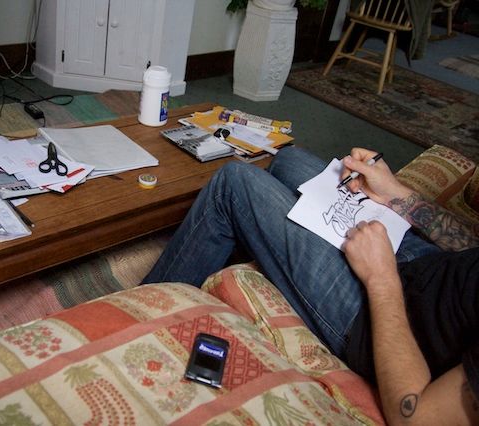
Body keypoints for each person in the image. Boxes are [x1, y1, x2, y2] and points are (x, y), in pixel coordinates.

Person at [142, 146, 478, 425]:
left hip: (383, 317)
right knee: (289, 159)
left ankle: (142, 314)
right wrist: (398, 196)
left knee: (234, 182)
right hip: (428, 263)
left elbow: (415, 416)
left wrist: (382, 278)